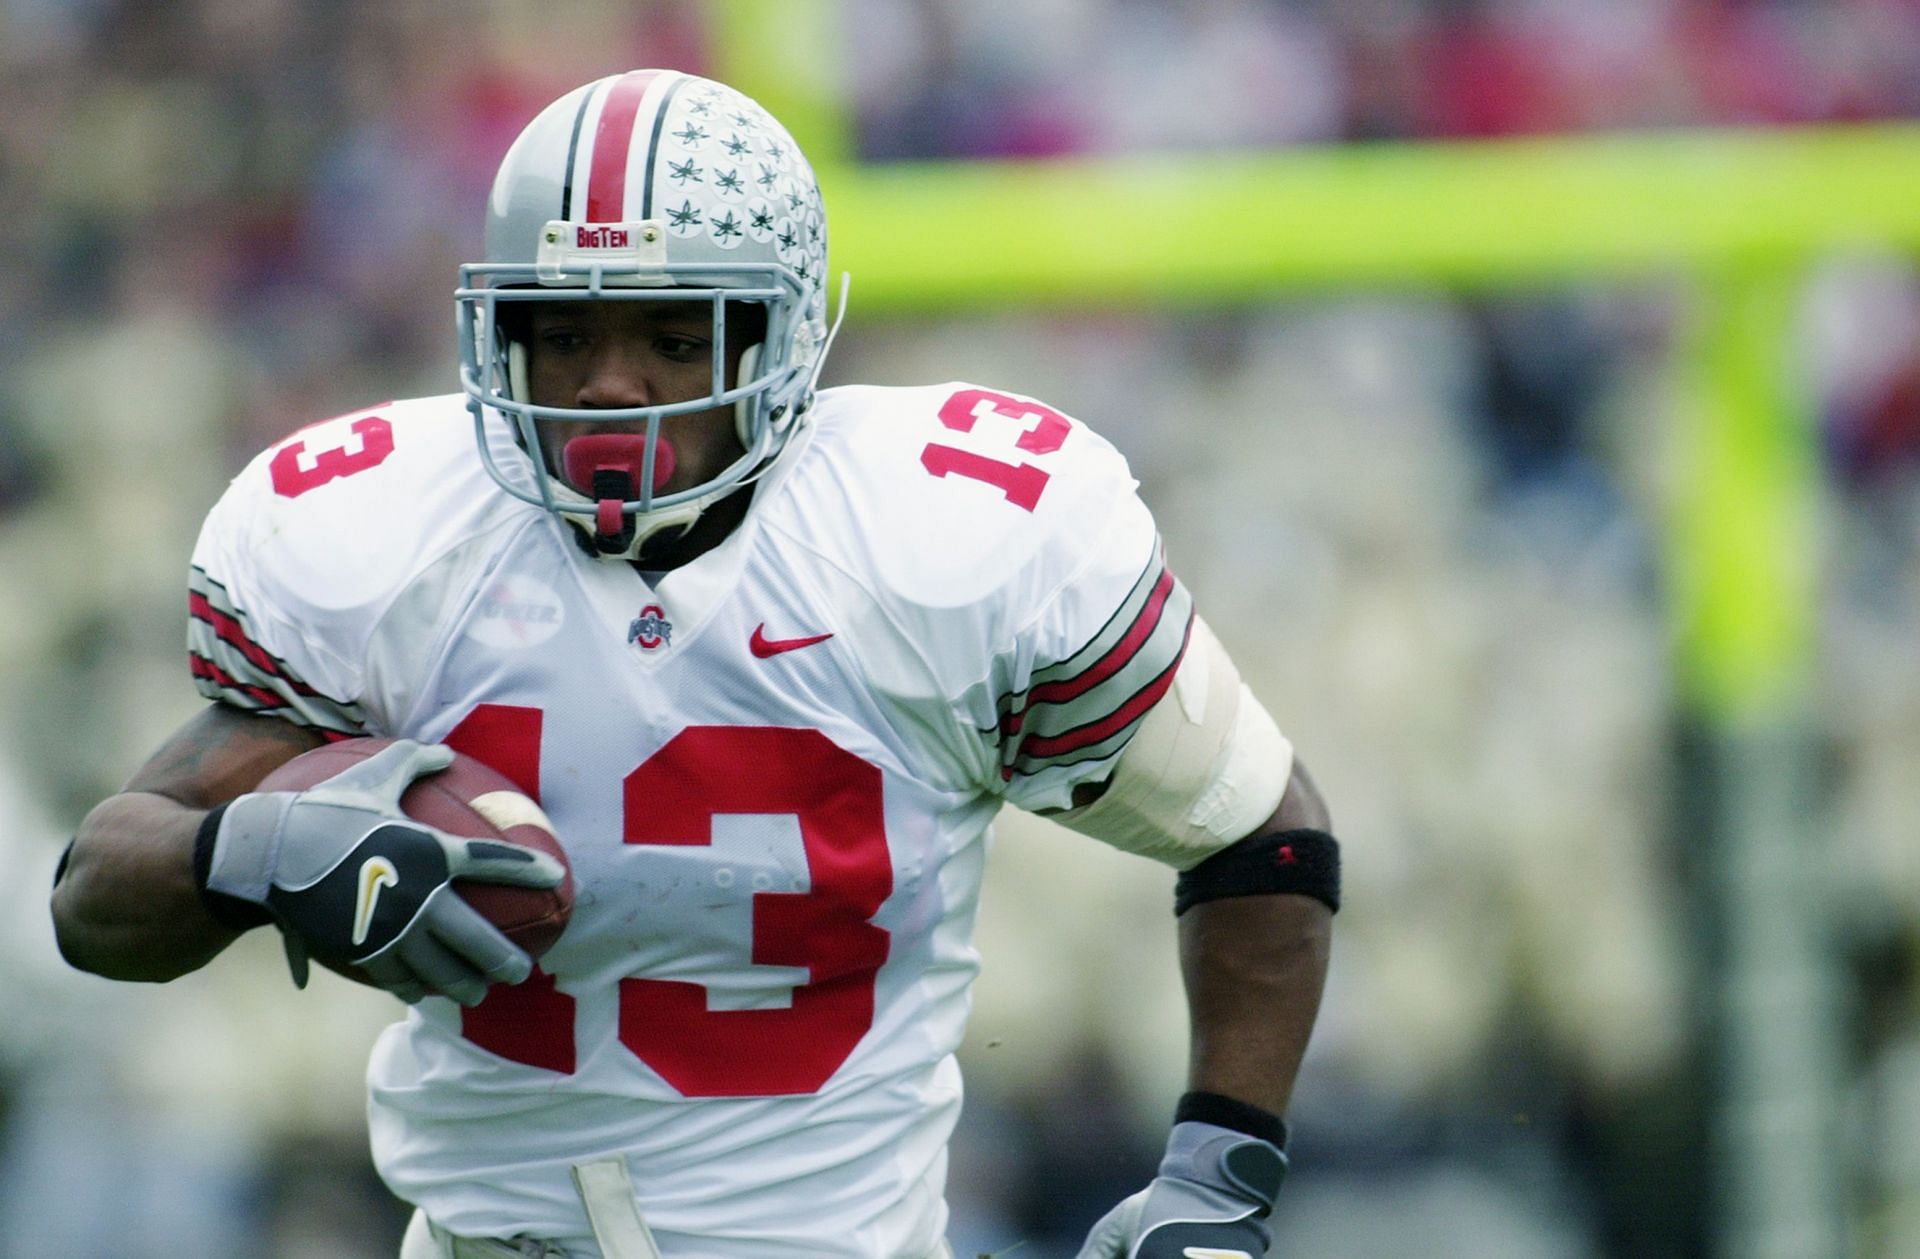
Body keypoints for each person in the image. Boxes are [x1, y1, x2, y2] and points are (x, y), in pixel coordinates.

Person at [50, 68, 1337, 1259]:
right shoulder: (385, 541)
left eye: (676, 338)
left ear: (775, 345)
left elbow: (1257, 834)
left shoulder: (949, 540)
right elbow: (98, 890)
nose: (610, 389)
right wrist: (253, 858)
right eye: (565, 336)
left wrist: (1219, 1170)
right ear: (499, 335)